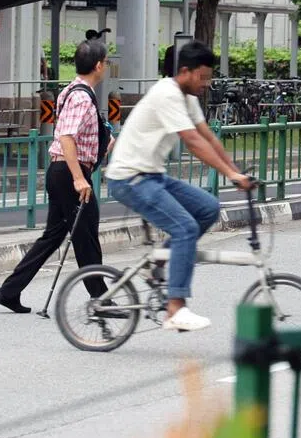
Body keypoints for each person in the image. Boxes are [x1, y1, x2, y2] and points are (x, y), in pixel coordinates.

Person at [106, 41, 253, 332]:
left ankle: (158, 263)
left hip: (152, 175)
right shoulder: (167, 94)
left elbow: (208, 137)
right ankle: (175, 308)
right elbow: (192, 141)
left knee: (208, 207)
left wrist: (237, 173)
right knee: (185, 228)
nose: (206, 84)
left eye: (209, 78)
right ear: (184, 72)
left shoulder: (188, 98)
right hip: (129, 178)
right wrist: (229, 174)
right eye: (202, 77)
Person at [0, 40, 112, 313]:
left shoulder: (71, 91)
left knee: (53, 236)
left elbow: (79, 135)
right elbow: (67, 137)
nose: (106, 66)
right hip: (70, 173)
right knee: (87, 236)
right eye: (105, 62)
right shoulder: (81, 97)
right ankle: (102, 299)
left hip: (62, 171)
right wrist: (78, 178)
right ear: (98, 65)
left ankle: (8, 292)